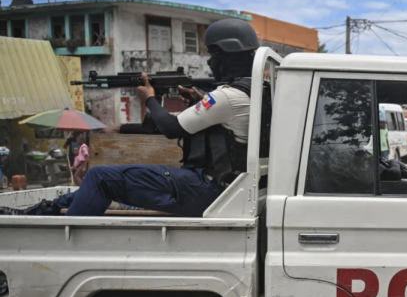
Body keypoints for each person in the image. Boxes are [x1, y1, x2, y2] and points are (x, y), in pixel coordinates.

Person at [1, 18, 257, 217]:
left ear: (226, 55)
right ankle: (40, 212)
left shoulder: (227, 96)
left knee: (100, 177)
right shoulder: (252, 91)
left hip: (209, 189)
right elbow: (169, 124)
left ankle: (61, 239)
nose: (211, 61)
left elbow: (170, 128)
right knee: (103, 184)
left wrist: (149, 98)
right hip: (225, 188)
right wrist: (124, 128)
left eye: (214, 54)